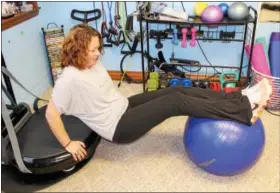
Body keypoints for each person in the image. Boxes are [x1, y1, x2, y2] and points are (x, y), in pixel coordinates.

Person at [45, 24, 273, 162]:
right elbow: (51, 114)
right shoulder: (69, 79)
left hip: (123, 106)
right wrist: (67, 144)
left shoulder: (91, 64)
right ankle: (244, 110)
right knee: (176, 102)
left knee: (176, 89)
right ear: (78, 49)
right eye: (93, 50)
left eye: (98, 49)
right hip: (118, 127)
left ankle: (241, 96)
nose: (98, 54)